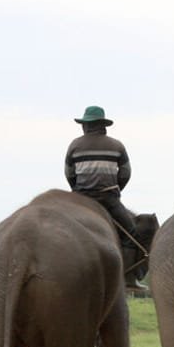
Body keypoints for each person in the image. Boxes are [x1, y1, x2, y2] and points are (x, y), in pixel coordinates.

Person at [65, 105, 144, 288]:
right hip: (109, 198)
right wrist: (115, 191)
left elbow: (69, 174)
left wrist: (78, 191)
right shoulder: (116, 146)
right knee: (130, 233)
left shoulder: (75, 145)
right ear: (103, 125)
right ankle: (128, 279)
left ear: (87, 126)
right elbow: (125, 173)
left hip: (81, 199)